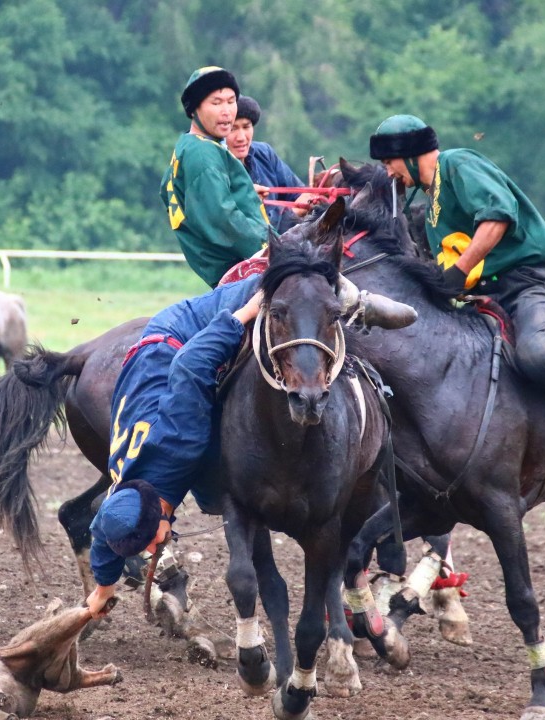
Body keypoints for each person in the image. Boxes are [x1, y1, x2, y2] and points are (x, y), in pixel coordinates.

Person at [83, 266, 420, 618]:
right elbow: (104, 533)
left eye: (149, 542)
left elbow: (190, 364)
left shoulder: (179, 444)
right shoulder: (124, 496)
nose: (151, 550)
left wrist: (249, 309)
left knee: (278, 292)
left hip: (179, 334)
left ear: (156, 515)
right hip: (146, 374)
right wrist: (103, 589)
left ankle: (352, 300)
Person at [368, 114, 545, 449]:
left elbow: (497, 217)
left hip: (526, 283)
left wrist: (459, 271)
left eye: (389, 162)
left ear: (410, 152)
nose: (389, 172)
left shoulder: (457, 164)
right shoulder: (428, 196)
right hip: (485, 297)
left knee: (539, 354)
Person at [160, 67, 271, 288]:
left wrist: (244, 194)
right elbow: (223, 220)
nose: (227, 111)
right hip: (246, 272)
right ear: (194, 109)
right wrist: (273, 251)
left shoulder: (189, 146)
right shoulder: (202, 154)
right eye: (216, 102)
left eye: (231, 101)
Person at [227, 95, 307, 232]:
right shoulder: (214, 168)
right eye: (232, 129)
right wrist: (293, 213)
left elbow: (299, 194)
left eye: (246, 127)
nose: (241, 138)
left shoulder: (264, 153)